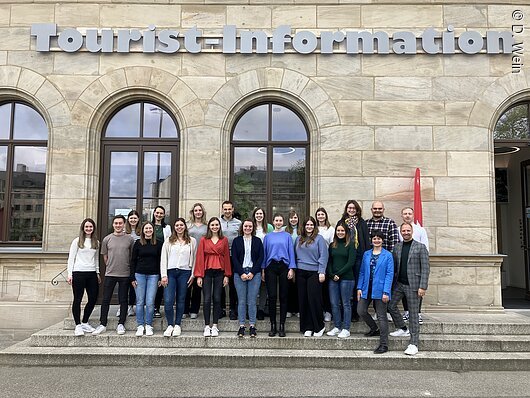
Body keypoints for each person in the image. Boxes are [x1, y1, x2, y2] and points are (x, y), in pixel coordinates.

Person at [388, 222, 430, 356]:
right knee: (391, 305)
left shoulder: (420, 247)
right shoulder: (397, 247)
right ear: (400, 232)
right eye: (403, 231)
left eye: (408, 230)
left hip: (414, 286)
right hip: (399, 284)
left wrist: (422, 286)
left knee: (413, 315)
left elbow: (426, 269)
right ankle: (402, 327)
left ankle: (414, 343)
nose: (405, 232)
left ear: (412, 231)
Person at [92, 215, 135, 335]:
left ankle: (121, 323)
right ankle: (102, 324)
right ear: (113, 224)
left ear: (124, 224)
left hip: (125, 274)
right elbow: (105, 257)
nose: (118, 225)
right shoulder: (107, 239)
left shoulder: (129, 239)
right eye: (116, 223)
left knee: (123, 300)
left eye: (120, 223)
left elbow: (131, 257)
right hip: (110, 273)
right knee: (106, 299)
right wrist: (111, 266)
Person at [356, 230, 394, 354]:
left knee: (381, 316)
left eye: (379, 238)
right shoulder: (366, 254)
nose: (376, 240)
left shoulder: (387, 255)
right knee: (360, 310)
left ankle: (384, 344)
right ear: (371, 240)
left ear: (382, 240)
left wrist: (386, 292)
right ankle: (373, 328)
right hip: (367, 288)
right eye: (374, 238)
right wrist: (359, 288)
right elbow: (362, 272)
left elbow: (389, 274)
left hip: (381, 289)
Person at [194, 217, 231, 337]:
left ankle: (215, 325)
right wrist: (199, 276)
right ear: (209, 226)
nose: (215, 227)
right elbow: (200, 257)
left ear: (219, 226)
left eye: (217, 225)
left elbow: (226, 257)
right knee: (206, 299)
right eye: (212, 225)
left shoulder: (224, 240)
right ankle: (206, 326)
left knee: (217, 298)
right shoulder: (204, 239)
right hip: (207, 271)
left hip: (220, 271)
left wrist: (227, 275)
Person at [161, 218, 197, 337]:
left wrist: (192, 275)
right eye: (177, 225)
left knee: (181, 299)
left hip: (184, 272)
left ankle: (177, 324)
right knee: (168, 300)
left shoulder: (192, 241)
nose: (179, 227)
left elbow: (195, 258)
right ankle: (170, 324)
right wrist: (164, 275)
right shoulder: (169, 241)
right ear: (174, 227)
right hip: (170, 272)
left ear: (185, 227)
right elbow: (163, 258)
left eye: (181, 225)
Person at [263, 213, 296, 337]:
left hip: (284, 266)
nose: (278, 222)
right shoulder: (268, 237)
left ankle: (282, 325)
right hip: (271, 266)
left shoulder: (287, 236)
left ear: (283, 222)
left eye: (280, 220)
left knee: (283, 296)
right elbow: (265, 254)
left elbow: (291, 252)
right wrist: (263, 270)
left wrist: (291, 268)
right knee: (271, 296)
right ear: (273, 222)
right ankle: (273, 325)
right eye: (276, 220)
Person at [295, 216, 329, 337]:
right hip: (300, 272)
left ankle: (319, 326)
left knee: (314, 300)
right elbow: (295, 255)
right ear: (303, 226)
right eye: (307, 225)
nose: (309, 227)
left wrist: (322, 271)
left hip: (314, 272)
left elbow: (324, 256)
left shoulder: (319, 239)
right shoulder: (299, 239)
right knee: (303, 300)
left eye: (311, 225)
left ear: (314, 226)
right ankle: (307, 327)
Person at [67, 218, 100, 336]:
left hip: (91, 273)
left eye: (90, 227)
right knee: (78, 299)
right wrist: (69, 274)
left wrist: (97, 272)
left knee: (93, 298)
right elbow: (71, 258)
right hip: (78, 273)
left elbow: (96, 259)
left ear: (93, 228)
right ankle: (78, 325)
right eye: (86, 227)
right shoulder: (77, 241)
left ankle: (85, 321)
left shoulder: (96, 242)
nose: (88, 229)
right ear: (83, 228)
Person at [232, 219, 264, 338]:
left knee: (251, 301)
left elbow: (261, 258)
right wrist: (241, 273)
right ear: (242, 227)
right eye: (246, 226)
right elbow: (234, 258)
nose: (248, 228)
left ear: (253, 228)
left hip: (254, 273)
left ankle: (252, 326)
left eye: (250, 226)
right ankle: (241, 326)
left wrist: (253, 272)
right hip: (240, 273)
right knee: (241, 301)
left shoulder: (257, 241)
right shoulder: (236, 241)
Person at [130, 222, 163, 337]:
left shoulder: (159, 244)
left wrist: (160, 276)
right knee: (139, 301)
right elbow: (133, 261)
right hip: (139, 274)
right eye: (146, 228)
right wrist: (132, 277)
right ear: (143, 231)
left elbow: (161, 261)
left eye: (150, 228)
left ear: (153, 230)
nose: (148, 230)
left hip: (153, 275)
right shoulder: (138, 243)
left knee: (150, 302)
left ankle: (148, 325)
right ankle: (140, 325)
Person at [340, 200, 370, 322]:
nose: (351, 210)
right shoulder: (341, 222)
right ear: (346, 209)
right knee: (345, 285)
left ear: (357, 210)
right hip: (345, 258)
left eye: (353, 208)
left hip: (359, 257)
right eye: (349, 208)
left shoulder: (362, 223)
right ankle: (345, 312)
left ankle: (356, 313)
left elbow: (366, 241)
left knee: (357, 284)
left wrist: (367, 256)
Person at [326, 221, 356, 339]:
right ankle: (337, 326)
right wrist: (332, 274)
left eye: (342, 231)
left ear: (346, 232)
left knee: (346, 303)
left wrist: (338, 274)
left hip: (347, 279)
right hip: (333, 279)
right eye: (338, 230)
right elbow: (329, 262)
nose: (340, 232)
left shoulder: (350, 245)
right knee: (334, 303)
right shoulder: (332, 245)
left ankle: (346, 328)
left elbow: (351, 263)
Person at [399, 207, 429, 323]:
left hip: (417, 264)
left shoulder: (420, 230)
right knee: (404, 289)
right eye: (405, 213)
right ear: (402, 215)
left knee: (417, 290)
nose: (407, 215)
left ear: (413, 215)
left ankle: (417, 313)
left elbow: (425, 246)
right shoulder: (398, 229)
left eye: (409, 213)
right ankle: (407, 312)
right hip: (403, 264)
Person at [220, 200, 242, 320]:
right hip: (220, 256)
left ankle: (233, 309)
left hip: (234, 256)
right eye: (225, 209)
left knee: (234, 283)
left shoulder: (239, 223)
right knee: (220, 283)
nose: (227, 211)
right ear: (222, 210)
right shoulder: (217, 222)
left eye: (229, 209)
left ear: (232, 209)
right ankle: (221, 308)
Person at [185, 203, 207, 319]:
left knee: (198, 286)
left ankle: (194, 309)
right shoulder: (188, 226)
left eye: (200, 210)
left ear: (202, 212)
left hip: (201, 258)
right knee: (187, 284)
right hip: (189, 257)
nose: (198, 212)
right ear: (193, 212)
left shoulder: (206, 227)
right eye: (196, 210)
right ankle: (185, 309)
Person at [152, 205, 172, 318]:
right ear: (154, 213)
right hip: (150, 258)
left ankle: (157, 307)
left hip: (162, 257)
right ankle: (149, 305)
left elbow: (169, 242)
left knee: (160, 282)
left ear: (164, 215)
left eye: (161, 213)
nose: (159, 215)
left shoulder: (167, 228)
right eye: (157, 212)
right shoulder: (149, 225)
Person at [315, 207, 334, 322]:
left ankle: (328, 311)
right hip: (314, 261)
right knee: (317, 289)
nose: (321, 216)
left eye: (322, 214)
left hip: (326, 261)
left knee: (326, 288)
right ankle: (320, 310)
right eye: (318, 214)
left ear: (326, 216)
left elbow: (332, 245)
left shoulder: (331, 229)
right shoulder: (314, 228)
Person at [124, 210, 141, 317]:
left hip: (137, 261)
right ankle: (123, 306)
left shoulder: (141, 231)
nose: (133, 220)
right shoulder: (124, 231)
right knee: (124, 285)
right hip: (125, 261)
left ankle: (131, 306)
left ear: (138, 219)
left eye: (135, 218)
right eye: (131, 218)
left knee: (133, 285)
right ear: (128, 219)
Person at [284, 210, 300, 318]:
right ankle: (289, 309)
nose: (293, 220)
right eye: (291, 218)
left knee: (298, 286)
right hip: (288, 260)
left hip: (300, 260)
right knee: (288, 286)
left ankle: (298, 309)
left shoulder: (301, 230)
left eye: (295, 217)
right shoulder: (285, 230)